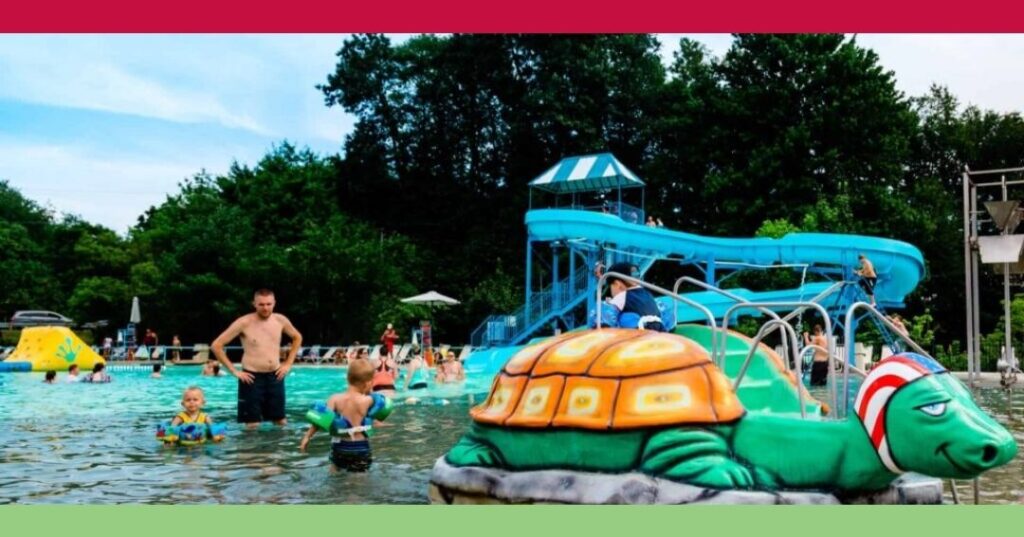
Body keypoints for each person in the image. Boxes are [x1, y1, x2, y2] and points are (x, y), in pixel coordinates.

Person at [211, 288, 303, 429]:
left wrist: (288, 364)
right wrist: (234, 372)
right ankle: (252, 451)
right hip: (251, 377)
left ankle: (279, 451)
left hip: (275, 375)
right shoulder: (244, 322)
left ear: (274, 303)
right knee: (252, 424)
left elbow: (297, 337)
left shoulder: (280, 320)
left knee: (280, 421)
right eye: (261, 304)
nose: (265, 308)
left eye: (268, 304)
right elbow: (216, 345)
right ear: (254, 304)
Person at [298, 359, 378, 472]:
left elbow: (321, 420)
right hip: (360, 447)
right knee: (359, 482)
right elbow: (378, 407)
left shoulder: (334, 399)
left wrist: (307, 437)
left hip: (339, 447)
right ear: (368, 383)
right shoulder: (368, 400)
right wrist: (369, 388)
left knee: (334, 472)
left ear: (347, 378)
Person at [605, 262, 665, 332]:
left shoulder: (622, 295)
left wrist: (609, 302)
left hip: (640, 329)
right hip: (659, 327)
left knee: (623, 317)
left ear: (617, 284)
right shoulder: (647, 293)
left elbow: (610, 309)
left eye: (611, 287)